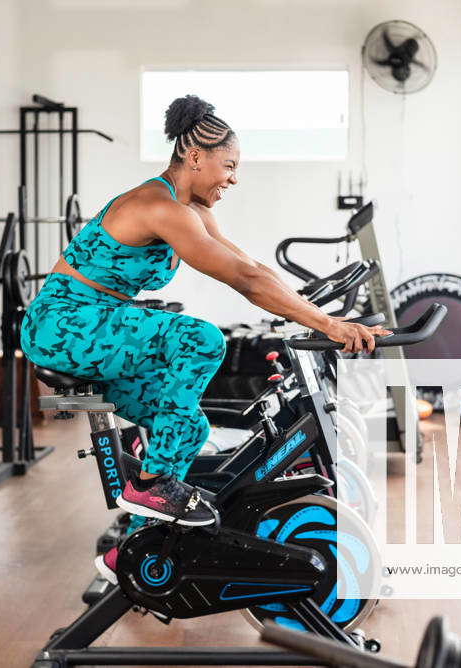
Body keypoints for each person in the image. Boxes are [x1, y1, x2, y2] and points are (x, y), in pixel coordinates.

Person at [20, 95, 389, 583]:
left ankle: (132, 551)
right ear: (195, 157)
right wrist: (329, 326)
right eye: (229, 165)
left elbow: (252, 267)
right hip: (63, 324)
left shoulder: (191, 209)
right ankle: (152, 486)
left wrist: (315, 313)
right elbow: (244, 281)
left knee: (188, 429)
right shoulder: (158, 206)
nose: (233, 178)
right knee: (200, 340)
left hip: (97, 322)